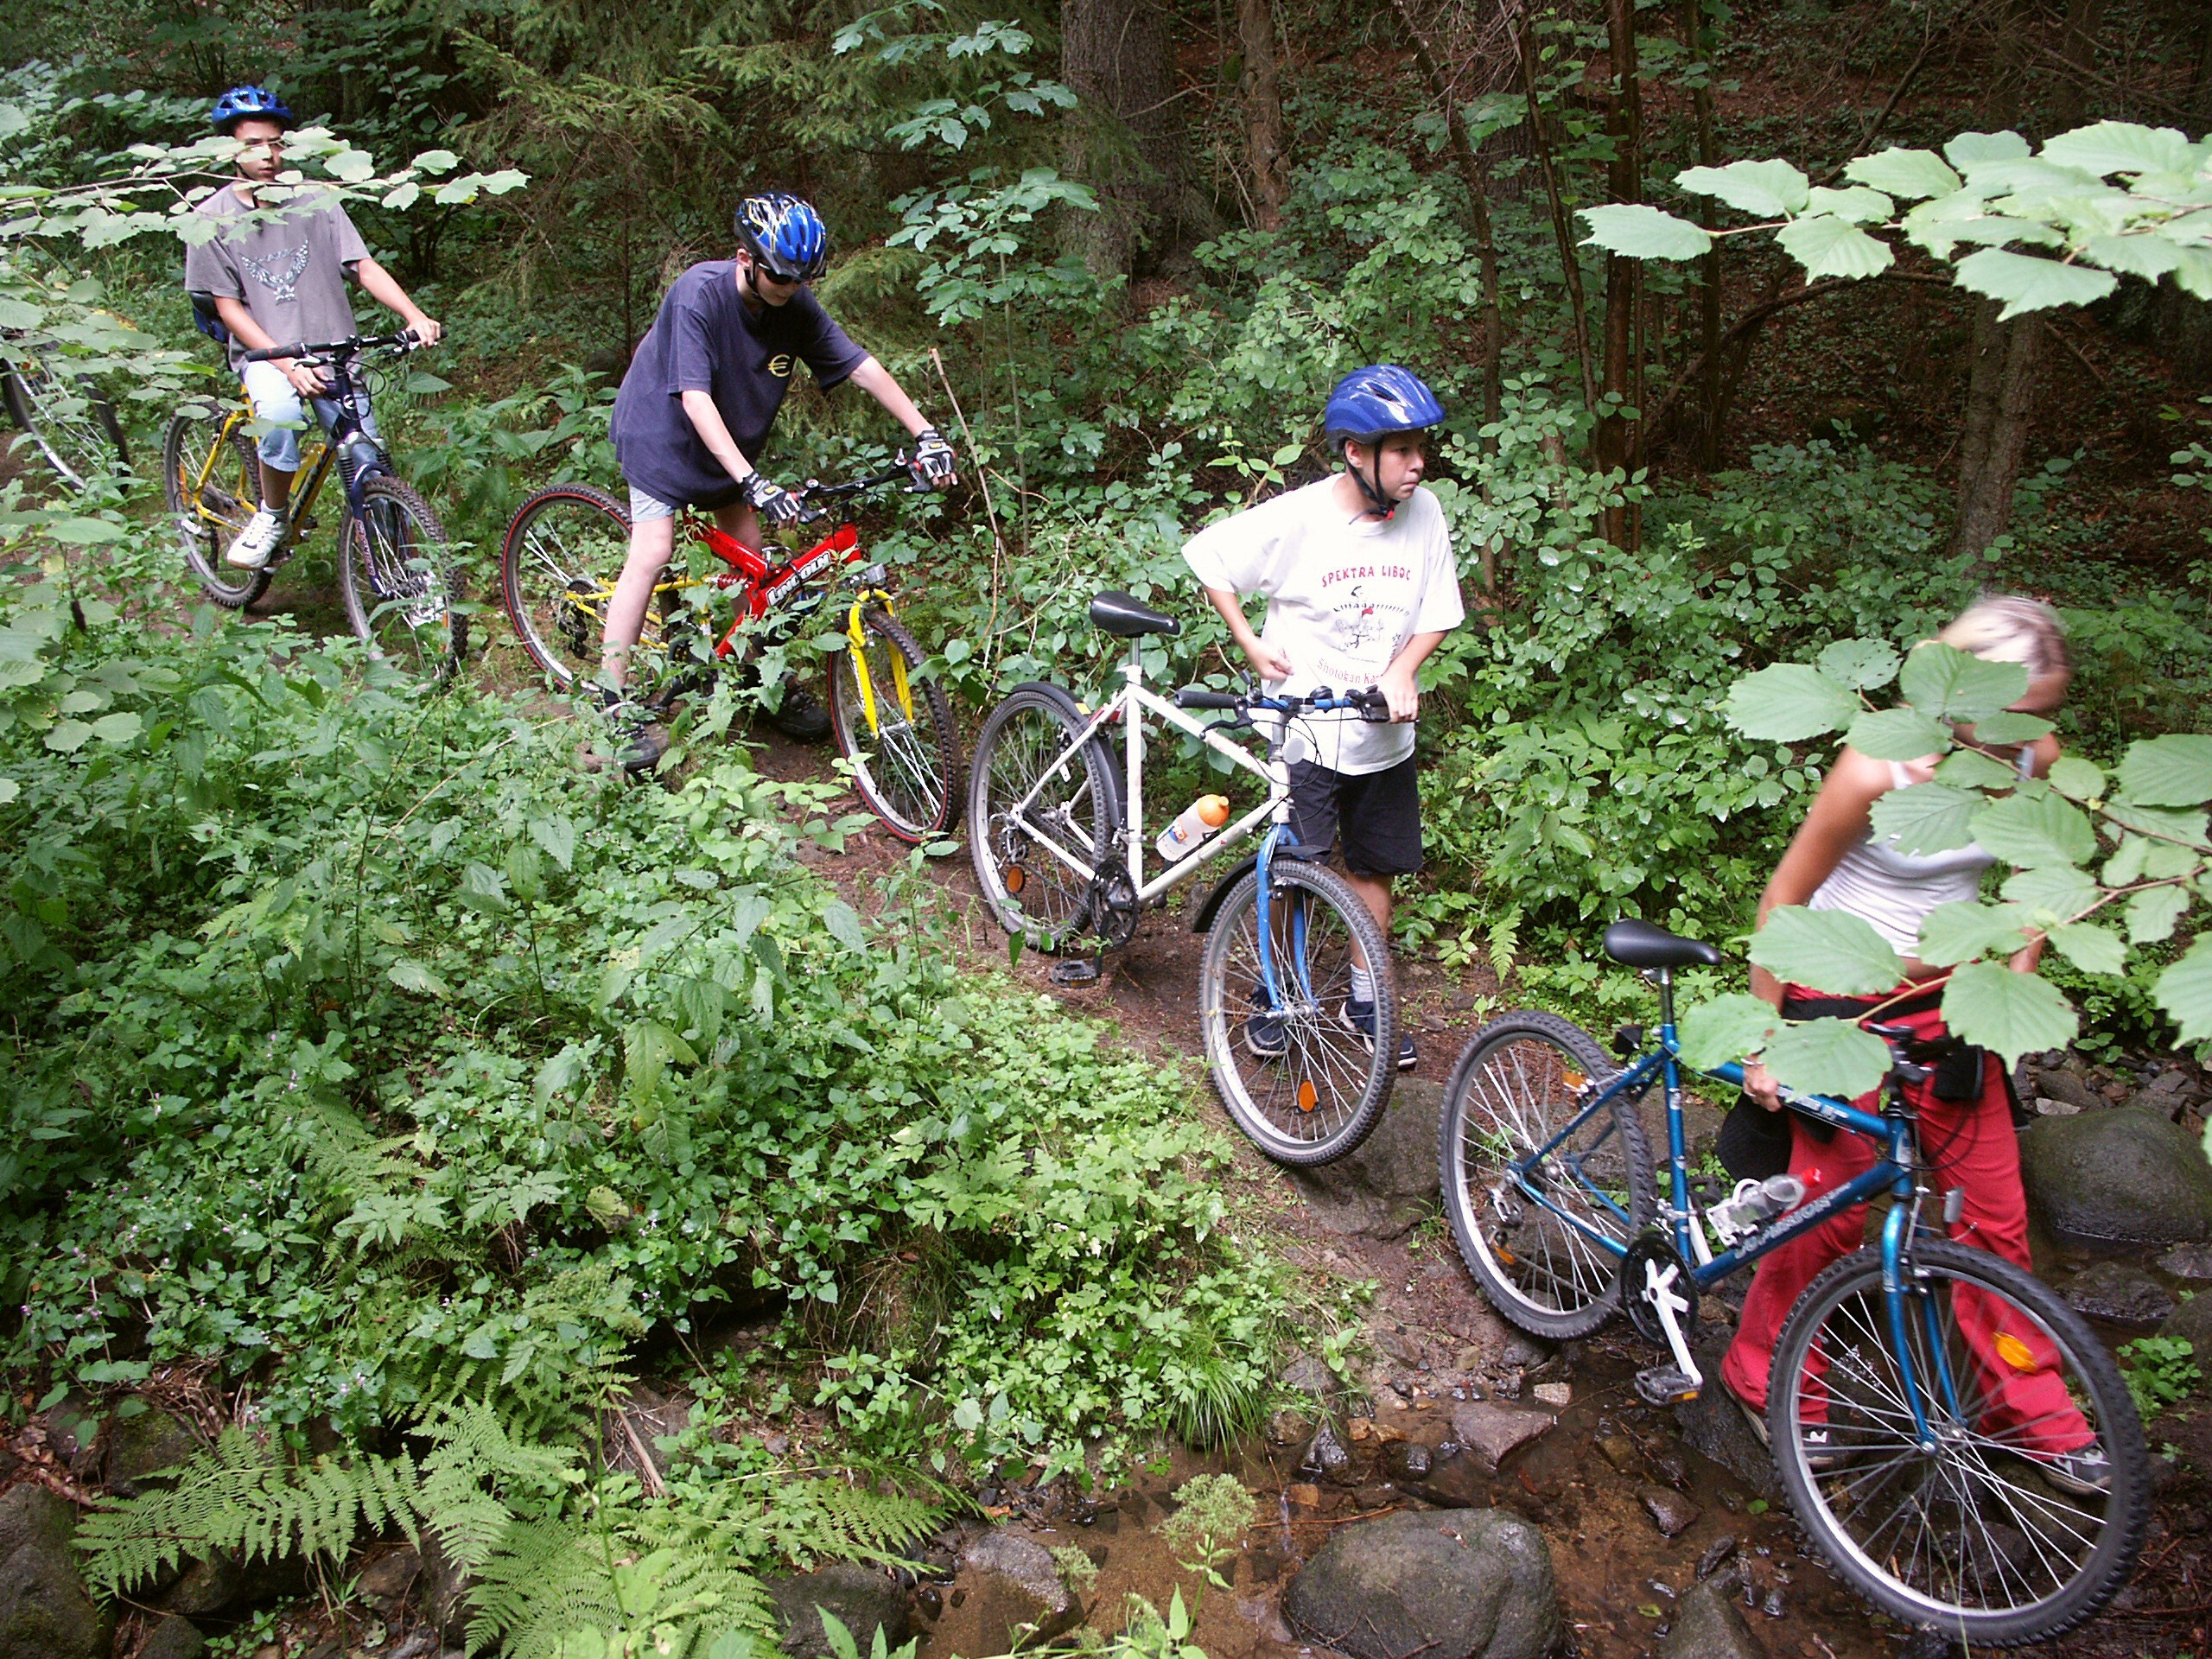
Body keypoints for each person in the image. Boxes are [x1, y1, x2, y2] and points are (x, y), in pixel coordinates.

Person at [1723, 595, 2110, 1493]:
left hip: (1953, 998)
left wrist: (2013, 983)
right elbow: (1784, 900)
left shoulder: (2032, 754)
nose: (2027, 729)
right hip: (1841, 988)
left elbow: (2041, 875)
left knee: (1994, 1214)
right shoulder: (1877, 766)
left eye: (2041, 712)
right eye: (2015, 707)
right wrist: (1765, 1041)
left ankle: (2029, 1408)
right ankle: (1768, 1375)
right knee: (1826, 1206)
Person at [599, 192, 957, 771]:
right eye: (781, 277)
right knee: (654, 551)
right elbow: (694, 397)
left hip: (729, 448)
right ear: (746, 258)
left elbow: (859, 365)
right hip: (661, 437)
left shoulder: (793, 303)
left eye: (800, 280)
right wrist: (751, 480)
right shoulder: (699, 294)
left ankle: (756, 678)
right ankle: (611, 705)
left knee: (752, 561)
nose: (791, 289)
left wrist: (926, 432)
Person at [1181, 364, 1465, 1072]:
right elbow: (1209, 556)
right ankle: (1275, 991)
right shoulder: (1301, 518)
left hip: (1382, 733)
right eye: (1403, 450)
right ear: (1355, 453)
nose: (1418, 463)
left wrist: (1403, 669)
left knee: (1376, 868)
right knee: (1295, 871)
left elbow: (1438, 609)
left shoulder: (1425, 512)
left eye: (1421, 448)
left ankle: (1365, 1002)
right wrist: (1249, 641)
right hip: (1306, 729)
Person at [183, 85, 442, 571]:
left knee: (368, 457)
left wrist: (413, 315)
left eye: (276, 143)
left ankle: (401, 572)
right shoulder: (211, 219)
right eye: (253, 145)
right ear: (230, 150)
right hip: (267, 354)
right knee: (280, 417)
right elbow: (228, 308)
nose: (267, 156)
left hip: (332, 349)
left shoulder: (314, 199)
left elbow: (361, 265)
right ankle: (273, 514)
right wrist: (285, 363)